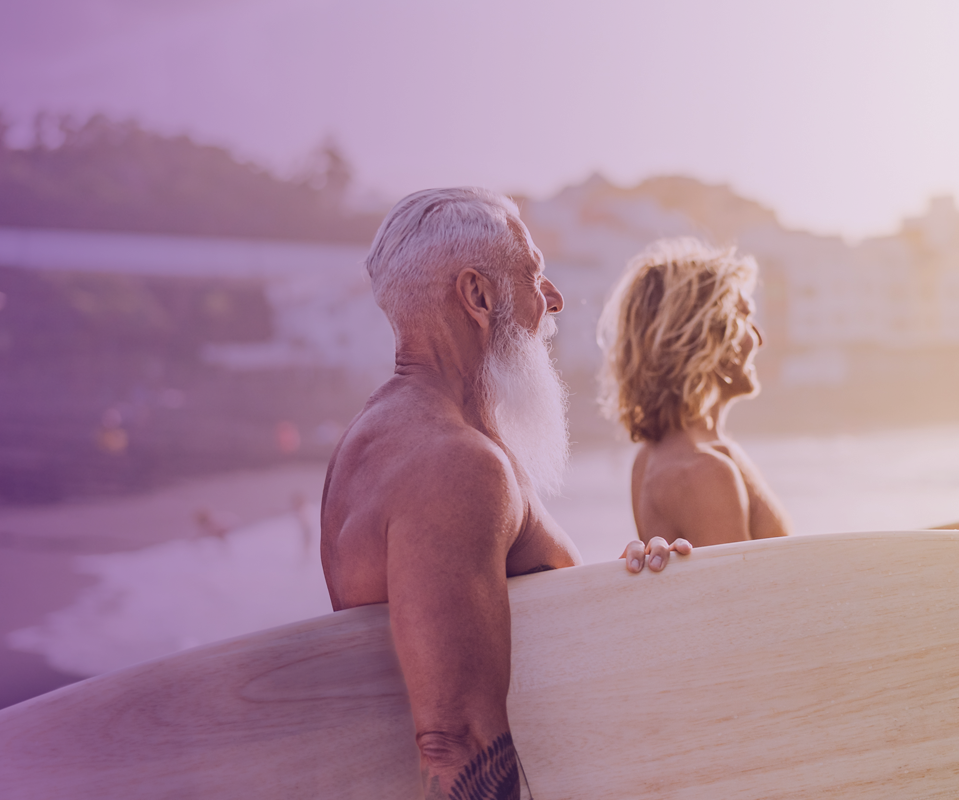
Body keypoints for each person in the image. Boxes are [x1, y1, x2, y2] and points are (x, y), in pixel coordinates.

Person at [320, 188, 684, 800]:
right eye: (534, 275)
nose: (556, 299)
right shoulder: (454, 465)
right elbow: (454, 743)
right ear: (479, 296)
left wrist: (629, 594)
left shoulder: (380, 438)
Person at [596, 238, 792, 565]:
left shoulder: (650, 459)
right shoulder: (703, 473)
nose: (758, 338)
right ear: (708, 336)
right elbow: (739, 610)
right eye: (745, 317)